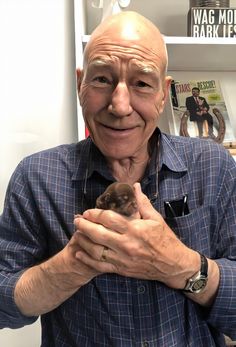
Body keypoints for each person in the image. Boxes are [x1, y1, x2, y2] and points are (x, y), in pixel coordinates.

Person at [0, 11, 236, 347]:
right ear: (80, 83)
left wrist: (179, 265)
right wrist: (72, 266)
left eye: (141, 83)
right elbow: (2, 305)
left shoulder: (214, 167)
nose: (120, 105)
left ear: (162, 93)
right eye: (101, 79)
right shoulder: (36, 178)